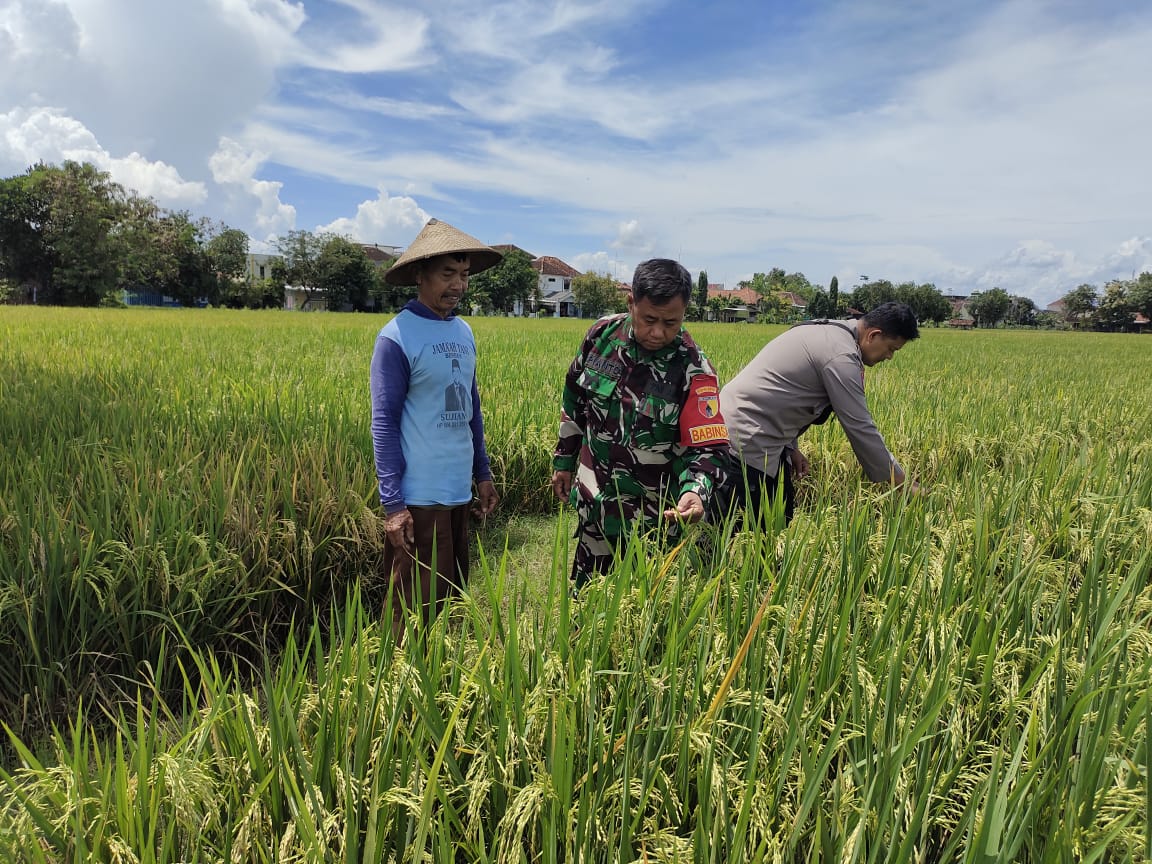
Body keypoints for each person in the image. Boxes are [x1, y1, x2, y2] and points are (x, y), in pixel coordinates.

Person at [551, 258, 732, 585]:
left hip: (651, 523)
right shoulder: (601, 336)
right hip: (596, 506)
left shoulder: (694, 369)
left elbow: (709, 448)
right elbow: (574, 399)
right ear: (631, 302)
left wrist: (696, 491)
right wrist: (564, 461)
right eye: (649, 319)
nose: (658, 332)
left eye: (671, 323)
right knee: (584, 607)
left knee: (641, 617)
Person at [370, 218, 501, 625]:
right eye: (448, 274)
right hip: (419, 497)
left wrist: (482, 473)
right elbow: (384, 423)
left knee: (451, 601)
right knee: (411, 608)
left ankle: (443, 679)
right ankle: (401, 681)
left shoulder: (463, 331)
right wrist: (393, 505)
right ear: (419, 275)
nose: (458, 286)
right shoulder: (396, 337)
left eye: (463, 275)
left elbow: (470, 409)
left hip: (457, 489)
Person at [718, 301, 922, 525]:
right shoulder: (840, 356)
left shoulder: (826, 330)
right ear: (873, 335)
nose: (890, 357)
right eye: (891, 349)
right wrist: (902, 482)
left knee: (779, 516)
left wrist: (791, 448)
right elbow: (859, 426)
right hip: (745, 437)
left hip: (759, 433)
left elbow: (783, 396)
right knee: (750, 527)